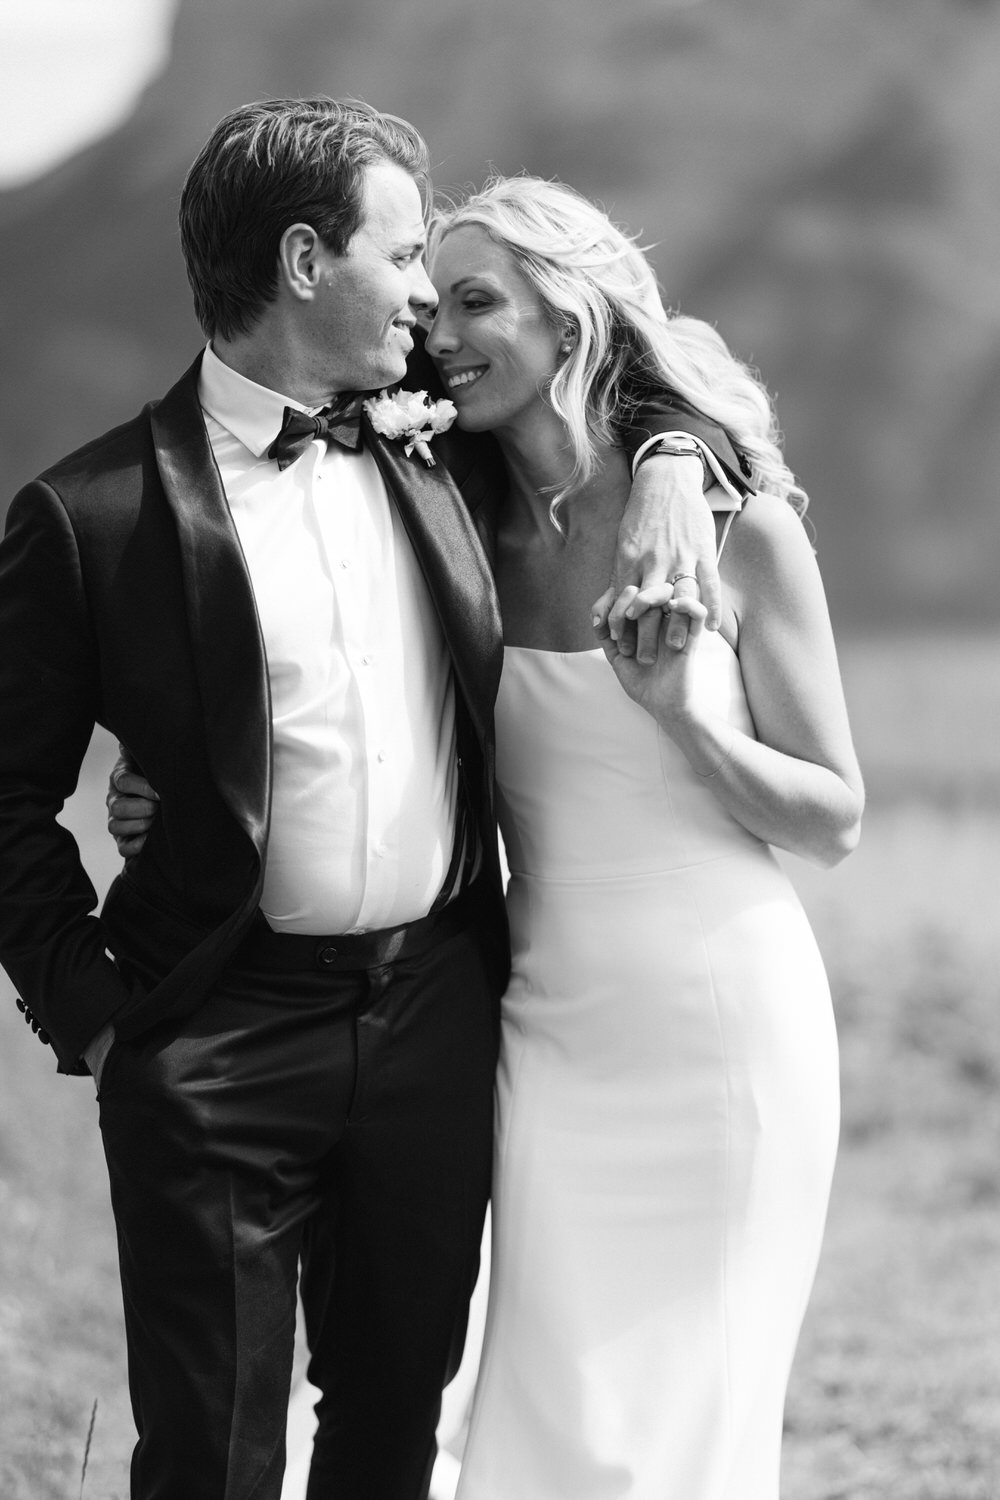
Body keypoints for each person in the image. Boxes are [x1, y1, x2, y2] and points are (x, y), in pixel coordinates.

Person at [0, 100, 747, 1500]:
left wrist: (669, 470)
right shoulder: (86, 515)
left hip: (435, 1021)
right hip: (209, 1040)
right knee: (211, 1455)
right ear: (302, 262)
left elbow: (634, 405)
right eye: (404, 256)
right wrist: (100, 1022)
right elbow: (2, 802)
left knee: (396, 1432)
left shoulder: (443, 450)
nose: (424, 296)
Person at [419, 176, 862, 1498]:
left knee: (687, 1427)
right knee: (539, 1418)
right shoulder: (450, 528)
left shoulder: (740, 526)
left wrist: (689, 723)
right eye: (432, 305)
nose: (441, 333)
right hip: (543, 1038)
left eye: (476, 301)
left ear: (571, 316)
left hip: (726, 1035)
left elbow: (834, 815)